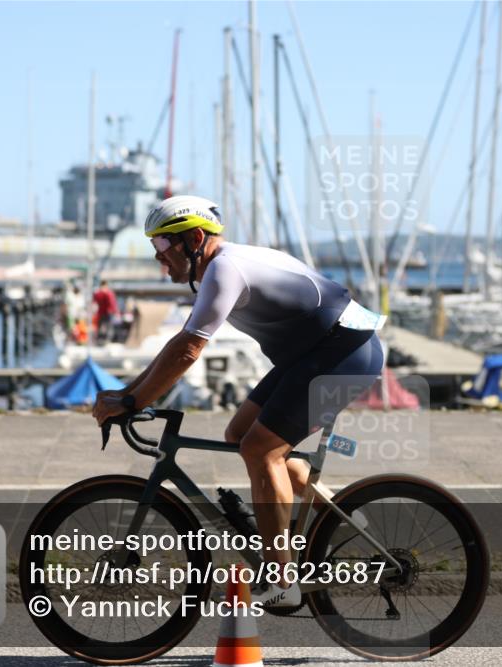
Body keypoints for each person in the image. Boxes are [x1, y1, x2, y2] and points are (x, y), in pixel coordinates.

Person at [92, 195, 384, 607]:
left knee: (260, 450)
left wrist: (133, 400)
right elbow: (179, 344)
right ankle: (342, 518)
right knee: (240, 434)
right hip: (317, 353)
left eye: (161, 247)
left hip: (344, 353)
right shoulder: (219, 267)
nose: (159, 260)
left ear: (194, 238)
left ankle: (283, 582)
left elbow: (188, 352)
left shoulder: (225, 269)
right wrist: (128, 395)